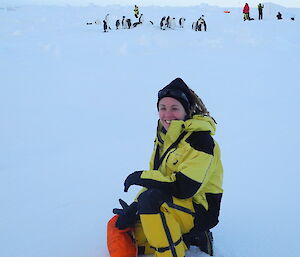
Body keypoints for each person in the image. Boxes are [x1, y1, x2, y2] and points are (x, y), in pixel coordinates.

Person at [112, 78, 224, 257]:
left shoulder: (201, 141)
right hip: (173, 202)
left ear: (186, 111)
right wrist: (134, 206)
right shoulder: (165, 137)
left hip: (199, 208)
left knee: (151, 203)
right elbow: (158, 178)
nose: (167, 114)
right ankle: (190, 238)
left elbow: (185, 188)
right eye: (162, 108)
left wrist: (141, 178)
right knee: (133, 235)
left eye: (174, 108)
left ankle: (182, 243)